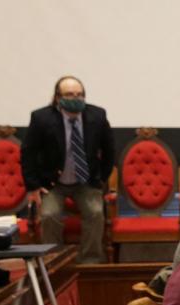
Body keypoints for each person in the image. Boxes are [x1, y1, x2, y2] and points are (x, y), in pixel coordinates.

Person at [21, 75, 115, 263]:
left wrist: (100, 179)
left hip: (85, 181)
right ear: (58, 97)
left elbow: (109, 150)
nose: (76, 99)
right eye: (70, 95)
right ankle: (55, 261)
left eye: (80, 95)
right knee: (49, 215)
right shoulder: (42, 118)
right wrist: (33, 186)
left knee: (95, 213)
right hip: (53, 183)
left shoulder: (97, 116)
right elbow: (28, 153)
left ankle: (91, 261)